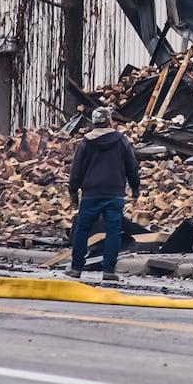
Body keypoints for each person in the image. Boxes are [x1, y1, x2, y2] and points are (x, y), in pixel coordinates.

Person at [65, 105, 141, 282]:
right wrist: (135, 188)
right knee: (113, 231)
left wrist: (73, 193)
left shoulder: (86, 142)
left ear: (94, 123)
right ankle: (109, 270)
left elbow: (76, 170)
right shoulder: (121, 140)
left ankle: (76, 268)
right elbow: (132, 167)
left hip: (91, 193)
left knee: (82, 230)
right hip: (114, 194)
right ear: (110, 122)